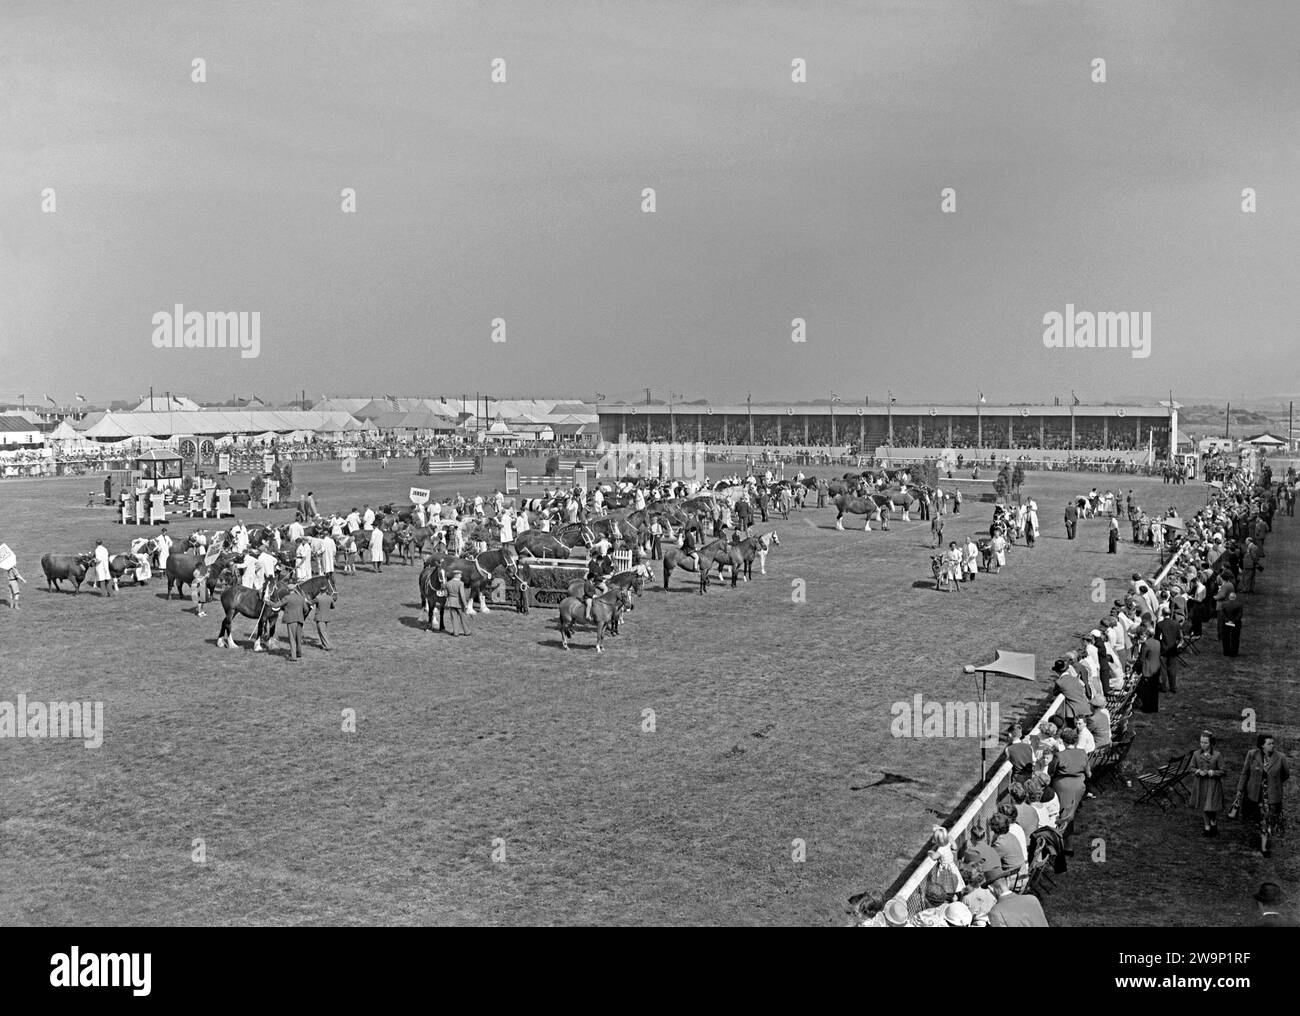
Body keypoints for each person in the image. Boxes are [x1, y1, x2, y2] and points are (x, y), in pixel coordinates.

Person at [1230, 734, 1289, 857]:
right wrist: (1240, 790)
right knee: (1255, 819)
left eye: (1273, 743)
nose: (1272, 745)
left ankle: (1264, 847)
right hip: (1254, 794)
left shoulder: (1280, 757)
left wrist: (1274, 783)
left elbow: (1285, 774)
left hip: (1270, 796)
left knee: (1267, 820)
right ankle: (1256, 838)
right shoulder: (1252, 755)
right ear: (1262, 745)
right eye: (1269, 743)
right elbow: (1245, 774)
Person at [1191, 730, 1225, 837]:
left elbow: (1223, 771)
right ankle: (1207, 828)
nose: (1202, 744)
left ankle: (1213, 822)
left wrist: (1213, 772)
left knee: (1211, 806)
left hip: (1213, 784)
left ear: (1211, 743)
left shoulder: (1217, 755)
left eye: (1205, 742)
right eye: (1201, 742)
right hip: (1201, 784)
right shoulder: (1196, 754)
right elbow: (1191, 767)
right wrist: (1197, 771)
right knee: (1204, 807)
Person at [267, 584, 307, 662]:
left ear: (288, 590)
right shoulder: (301, 598)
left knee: (292, 638)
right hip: (300, 620)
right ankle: (299, 653)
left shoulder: (287, 598)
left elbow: (276, 605)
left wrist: (268, 602)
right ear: (295, 589)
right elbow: (305, 609)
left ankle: (293, 656)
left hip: (291, 620)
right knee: (298, 637)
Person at [443, 568, 471, 636]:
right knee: (463, 617)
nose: (461, 576)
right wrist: (465, 604)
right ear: (457, 575)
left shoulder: (448, 583)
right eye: (460, 575)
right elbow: (462, 595)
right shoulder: (460, 583)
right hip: (459, 603)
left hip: (451, 602)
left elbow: (446, 594)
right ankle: (467, 632)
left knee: (454, 618)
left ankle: (456, 633)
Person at [1218, 591, 1243, 657]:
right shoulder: (1239, 604)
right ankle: (1234, 653)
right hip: (1236, 623)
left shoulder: (1224, 604)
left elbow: (1222, 614)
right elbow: (1240, 615)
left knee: (1225, 637)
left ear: (1229, 597)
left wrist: (1227, 620)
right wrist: (1233, 621)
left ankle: (1226, 652)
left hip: (1225, 623)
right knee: (1235, 638)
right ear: (1235, 597)